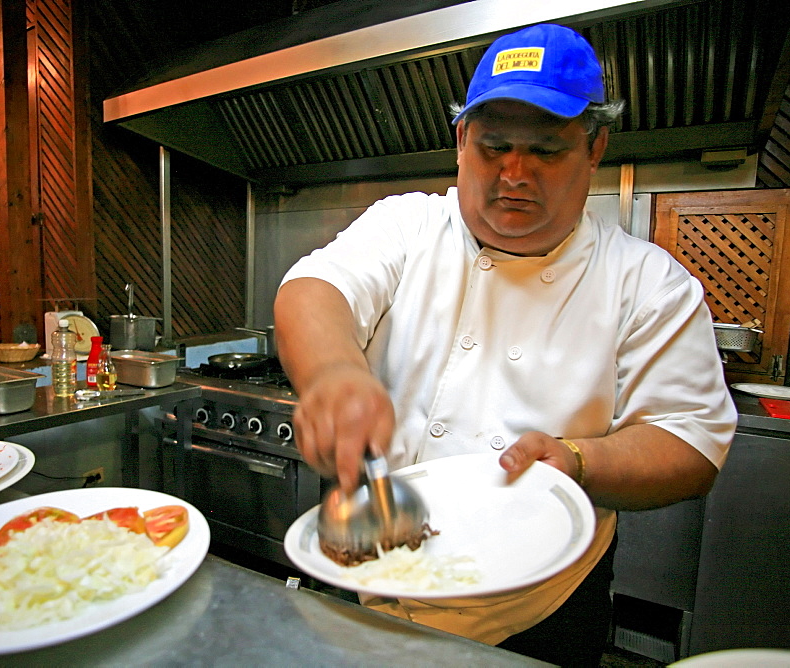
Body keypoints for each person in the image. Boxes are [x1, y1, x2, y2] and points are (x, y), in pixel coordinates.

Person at [273, 22, 737, 667]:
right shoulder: (407, 225)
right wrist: (332, 376)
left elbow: (691, 444)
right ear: (462, 139)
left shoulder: (649, 283)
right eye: (494, 147)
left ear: (595, 146)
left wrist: (577, 461)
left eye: (545, 150)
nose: (514, 173)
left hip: (542, 606)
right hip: (371, 572)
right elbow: (315, 290)